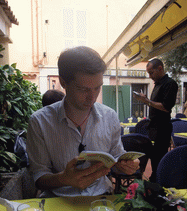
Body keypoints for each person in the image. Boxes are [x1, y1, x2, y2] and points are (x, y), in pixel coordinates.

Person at [26, 46, 140, 197]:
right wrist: (63, 179)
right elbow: (39, 178)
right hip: (58, 200)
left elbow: (116, 159)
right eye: (83, 89)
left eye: (97, 88)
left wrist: (126, 166)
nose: (92, 97)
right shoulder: (39, 122)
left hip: (102, 196)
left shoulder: (110, 116)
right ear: (63, 82)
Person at [133, 58, 178, 182]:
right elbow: (155, 105)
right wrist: (146, 100)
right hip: (153, 128)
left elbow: (166, 107)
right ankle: (154, 183)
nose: (150, 76)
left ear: (160, 68)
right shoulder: (158, 84)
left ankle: (157, 185)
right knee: (154, 158)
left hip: (162, 128)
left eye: (151, 72)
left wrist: (146, 101)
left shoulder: (170, 83)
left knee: (159, 160)